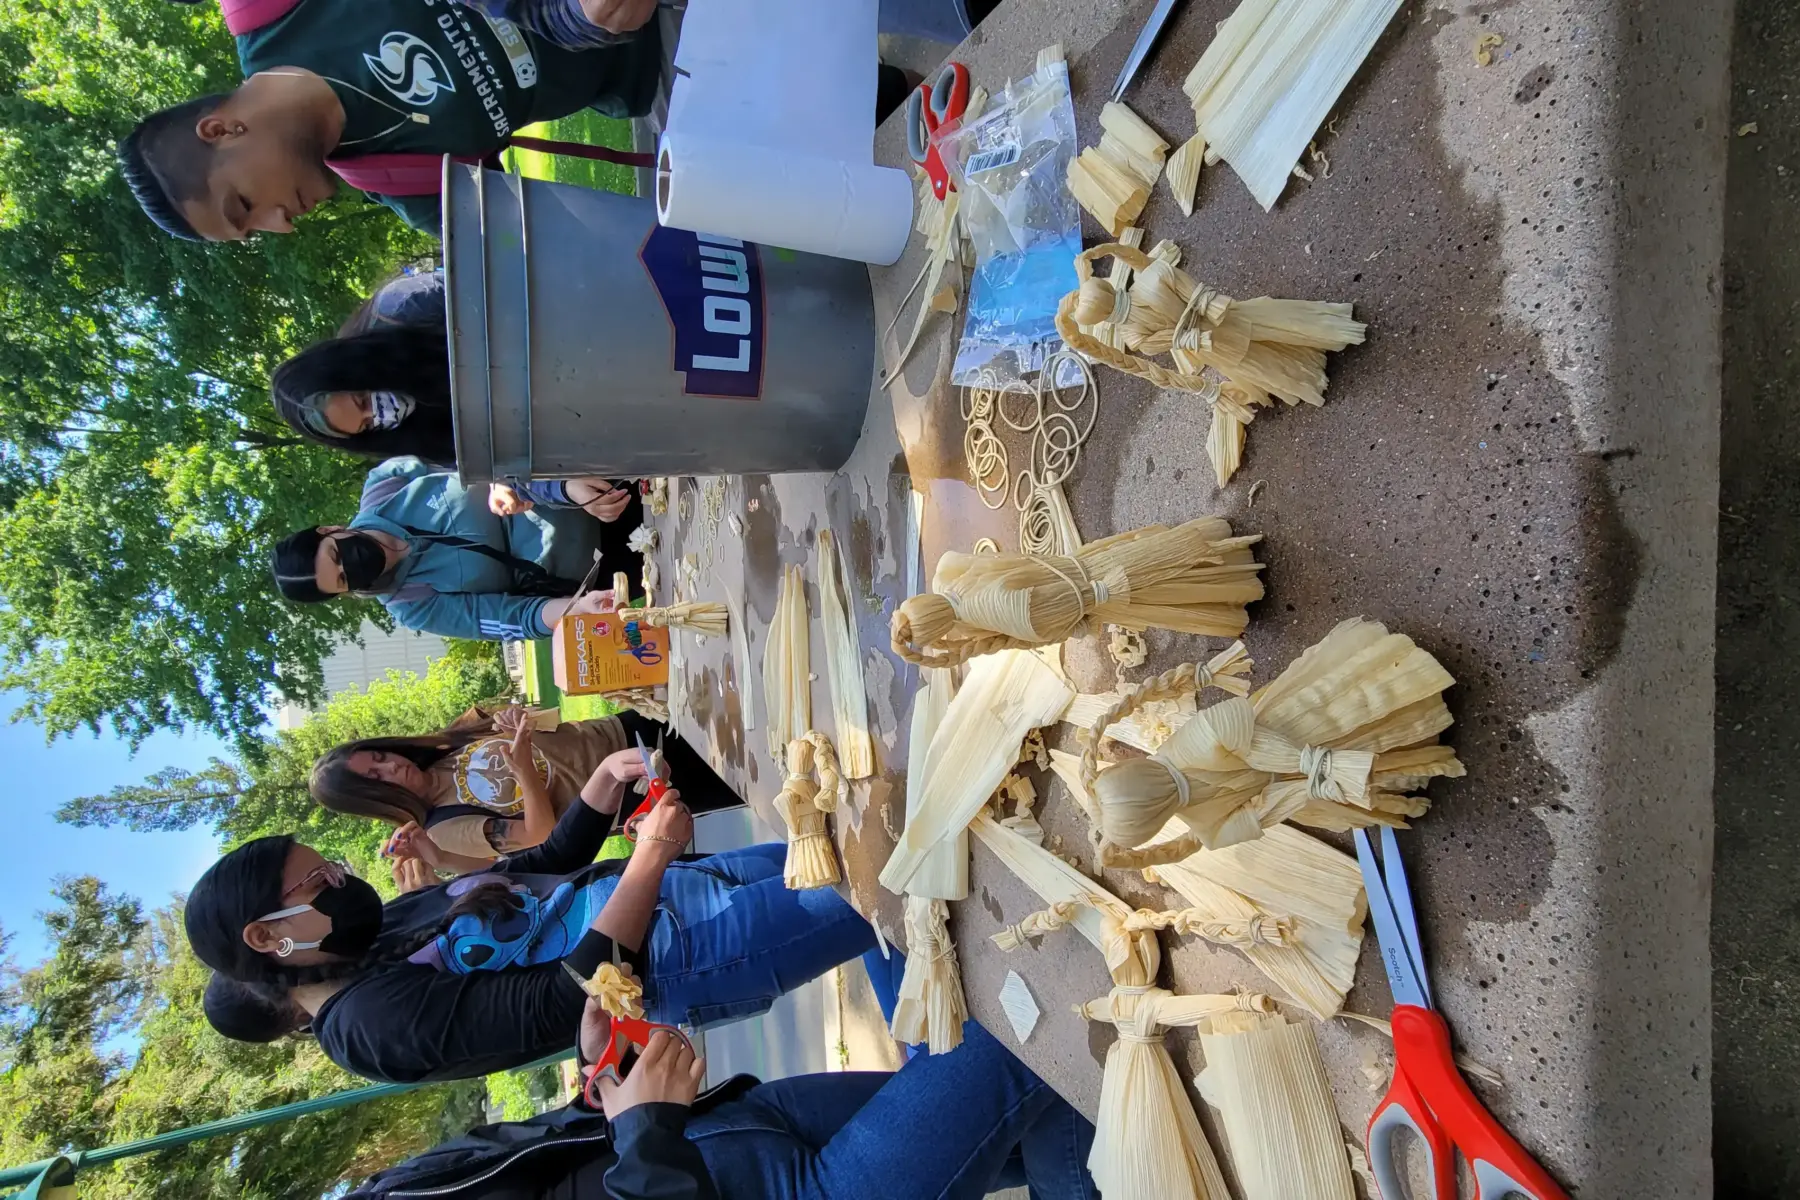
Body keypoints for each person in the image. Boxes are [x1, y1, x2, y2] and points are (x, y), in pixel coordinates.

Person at [185, 766, 879, 1083]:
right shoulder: (371, 1026)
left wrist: (602, 788)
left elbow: (532, 874)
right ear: (268, 937)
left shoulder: (372, 941)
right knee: (883, 886)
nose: (343, 880)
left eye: (332, 866)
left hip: (677, 884)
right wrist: (651, 856)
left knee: (859, 848)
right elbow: (569, 994)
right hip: (691, 951)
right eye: (320, 882)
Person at [118, 0, 923, 238]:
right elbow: (527, 251)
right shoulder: (384, 177)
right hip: (672, 61)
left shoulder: (273, 10)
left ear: (220, 131)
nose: (279, 225)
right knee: (879, 122)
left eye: (244, 207)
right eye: (254, 233)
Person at [344, 1011, 1098, 1199]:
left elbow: (551, 1159)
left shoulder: (389, 1187)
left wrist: (601, 1081)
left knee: (1029, 1112)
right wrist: (645, 1137)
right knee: (1011, 1032)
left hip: (745, 1126)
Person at [311, 702, 736, 866]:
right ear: (375, 800)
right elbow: (542, 835)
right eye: (376, 777)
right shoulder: (444, 826)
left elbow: (540, 718)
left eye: (381, 757)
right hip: (637, 788)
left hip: (625, 726)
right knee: (752, 770)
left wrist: (517, 717)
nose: (392, 768)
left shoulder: (448, 740)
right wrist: (523, 774)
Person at [270, 456, 636, 641]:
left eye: (337, 554)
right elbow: (508, 619)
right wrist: (575, 610)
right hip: (608, 569)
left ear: (330, 530)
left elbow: (483, 446)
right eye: (343, 580)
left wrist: (513, 482)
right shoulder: (411, 605)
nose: (352, 565)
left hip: (587, 481)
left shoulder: (390, 481)